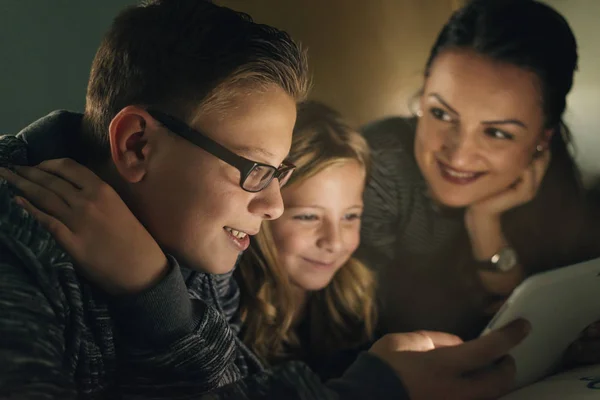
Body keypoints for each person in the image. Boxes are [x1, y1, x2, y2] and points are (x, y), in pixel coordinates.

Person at [0, 1, 530, 399]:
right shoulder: (15, 252)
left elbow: (230, 387)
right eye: (255, 169)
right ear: (137, 144)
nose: (274, 204)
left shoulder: (194, 232)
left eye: (278, 173)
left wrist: (154, 293)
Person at [358, 0, 600, 348]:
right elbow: (350, 346)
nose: (458, 153)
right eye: (441, 113)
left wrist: (485, 225)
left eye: (497, 132)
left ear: (542, 139)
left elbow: (527, 333)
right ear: (424, 93)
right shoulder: (378, 167)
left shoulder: (562, 197)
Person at [237, 101, 376, 380]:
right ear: (266, 211)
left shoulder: (356, 298)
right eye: (308, 217)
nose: (334, 243)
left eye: (350, 217)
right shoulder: (229, 311)